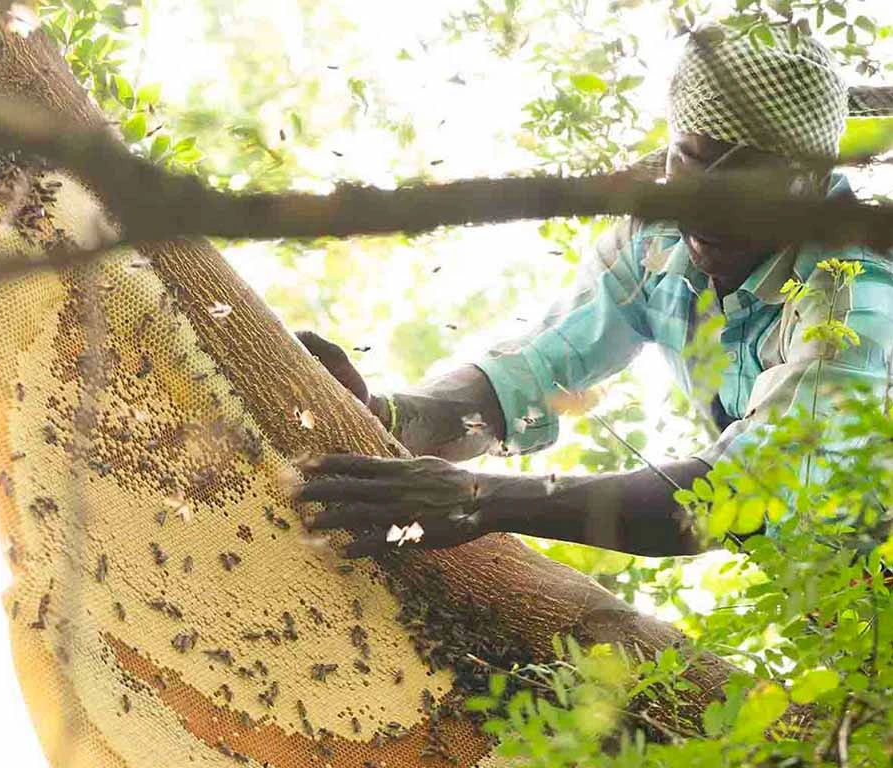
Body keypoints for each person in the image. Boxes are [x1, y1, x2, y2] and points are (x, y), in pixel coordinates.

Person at [296, 24, 893, 560]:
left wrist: (484, 499)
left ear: (812, 184)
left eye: (749, 187)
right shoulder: (655, 239)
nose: (706, 207)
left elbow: (729, 500)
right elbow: (531, 375)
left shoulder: (852, 294)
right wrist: (387, 417)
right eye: (690, 164)